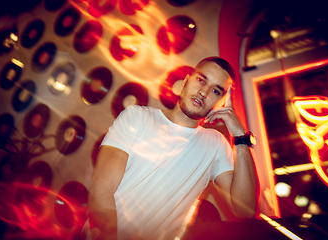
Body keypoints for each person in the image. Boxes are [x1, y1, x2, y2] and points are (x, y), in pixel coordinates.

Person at [87, 57, 259, 240]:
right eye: (201, 80)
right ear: (186, 81)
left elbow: (244, 210)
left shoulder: (216, 145)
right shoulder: (136, 117)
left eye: (216, 91)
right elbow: (101, 192)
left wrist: (240, 136)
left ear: (221, 102)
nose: (204, 92)